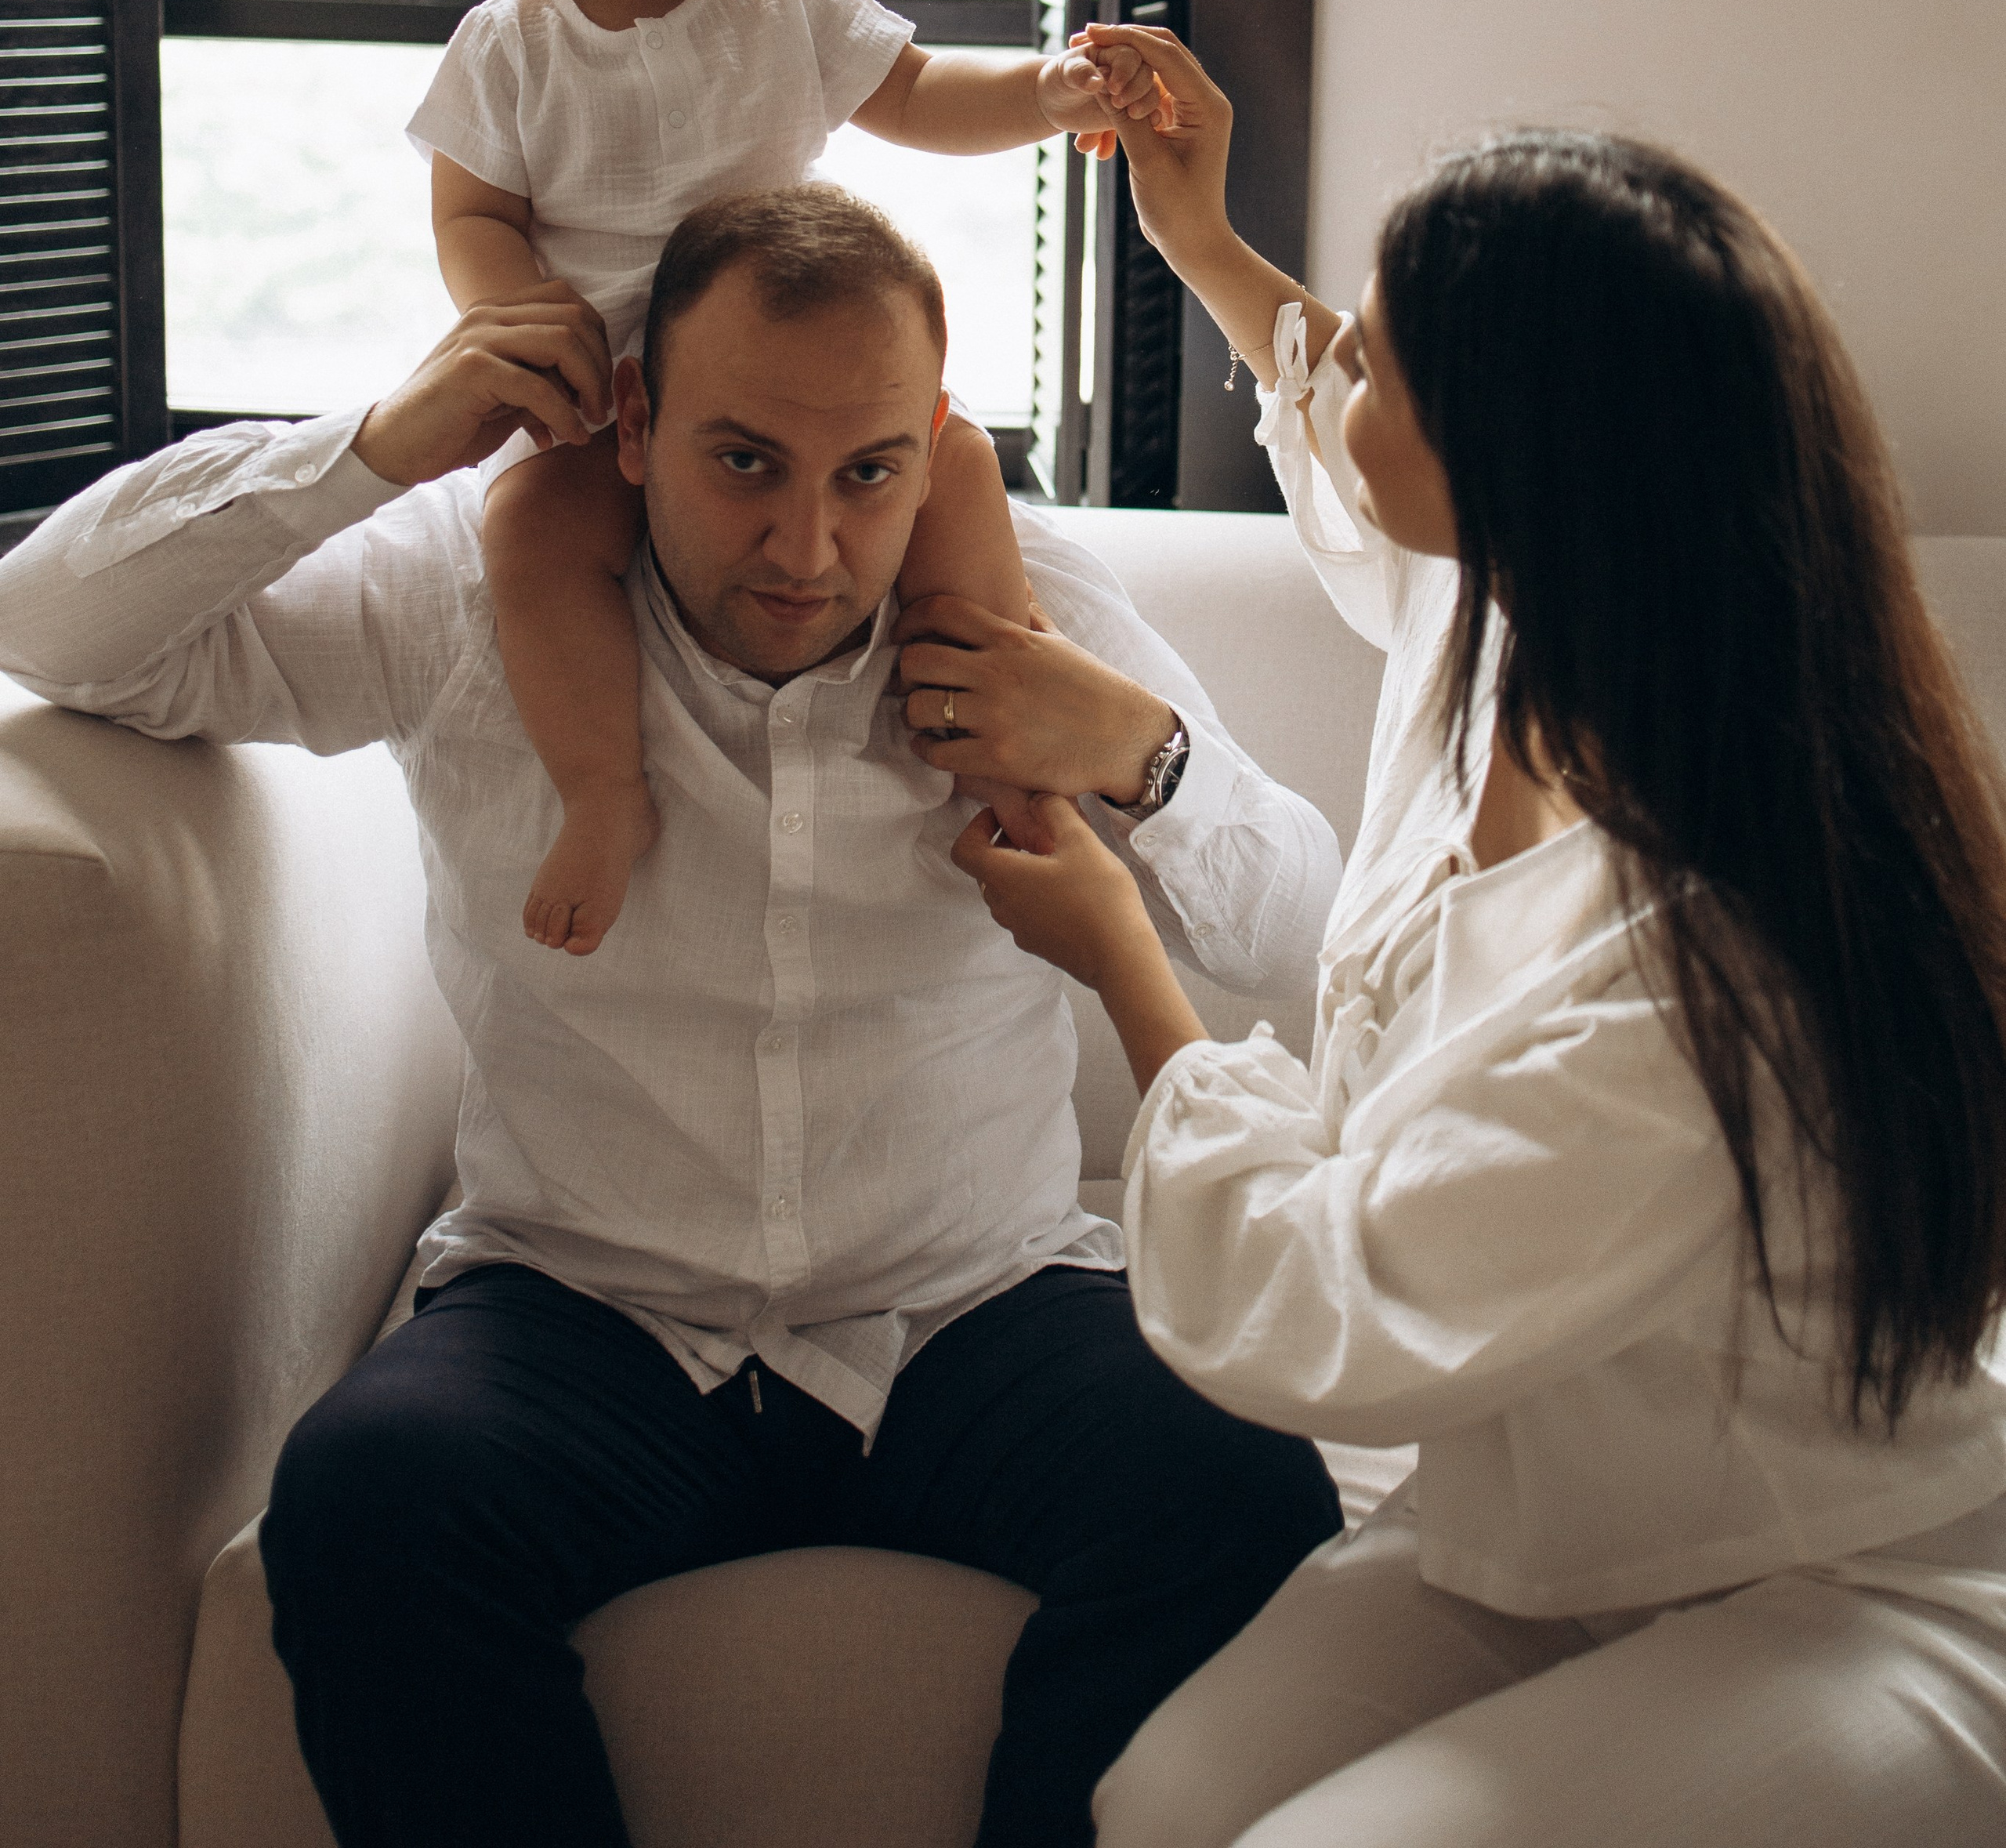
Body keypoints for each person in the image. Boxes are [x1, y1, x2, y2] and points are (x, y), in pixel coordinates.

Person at [0, 182, 1342, 1848]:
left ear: (937, 438)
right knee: (365, 1504)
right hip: (584, 1300)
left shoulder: (1032, 601)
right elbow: (50, 625)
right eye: (746, 462)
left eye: (870, 472)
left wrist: (1138, 749)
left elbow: (1297, 926)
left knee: (1242, 1486)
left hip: (967, 1297)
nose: (807, 548)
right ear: (635, 422)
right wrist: (378, 444)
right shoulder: (468, 588)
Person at [947, 27, 2006, 1848]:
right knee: (1158, 1801)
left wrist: (1122, 952)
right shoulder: (1510, 619)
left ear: (1519, 449)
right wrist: (1198, 237)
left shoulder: (1707, 962)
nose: (1336, 362)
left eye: (1383, 354)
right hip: (1548, 1523)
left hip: (1846, 1571)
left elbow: (1325, 1301)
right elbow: (1351, 461)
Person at [413, 0, 1161, 956]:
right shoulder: (507, 47)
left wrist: (1049, 95)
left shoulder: (782, 1)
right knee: (529, 530)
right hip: (603, 389)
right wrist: (514, 304)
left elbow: (919, 93)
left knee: (957, 469)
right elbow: (473, 210)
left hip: (787, 363)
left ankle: (998, 725)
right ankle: (604, 788)